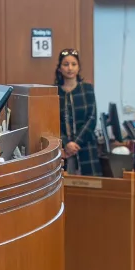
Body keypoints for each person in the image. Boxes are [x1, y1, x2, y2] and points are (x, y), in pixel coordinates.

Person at [55, 48, 101, 176]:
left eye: (74, 64)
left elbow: (92, 118)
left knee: (89, 189)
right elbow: (53, 122)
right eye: (66, 64)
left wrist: (76, 143)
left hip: (85, 146)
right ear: (59, 68)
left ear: (79, 67)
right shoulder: (54, 92)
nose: (70, 68)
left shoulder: (87, 89)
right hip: (63, 149)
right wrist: (66, 143)